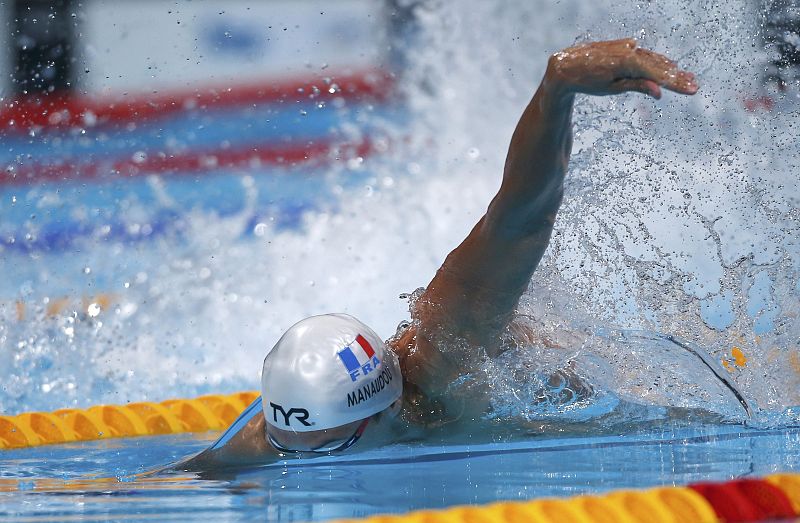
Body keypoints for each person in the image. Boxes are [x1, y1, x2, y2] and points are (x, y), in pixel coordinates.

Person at [179, 38, 698, 469]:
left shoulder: (451, 358)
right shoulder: (296, 424)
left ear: (378, 413)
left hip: (624, 391)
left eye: (331, 447)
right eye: (283, 444)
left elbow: (520, 218)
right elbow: (184, 477)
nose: (300, 462)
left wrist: (556, 89)